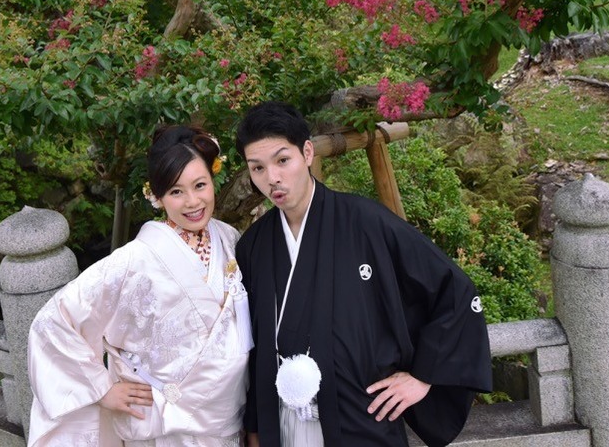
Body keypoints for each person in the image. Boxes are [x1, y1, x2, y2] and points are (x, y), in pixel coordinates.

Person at [233, 101, 492, 447]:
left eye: (283, 160)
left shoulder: (367, 223)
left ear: (307, 152)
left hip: (360, 421)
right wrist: (255, 426)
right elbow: (254, 348)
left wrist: (422, 377)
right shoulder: (253, 246)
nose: (273, 178)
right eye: (258, 168)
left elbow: (454, 291)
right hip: (284, 426)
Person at [27, 125, 253, 447]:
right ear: (157, 197)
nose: (193, 201)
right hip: (163, 424)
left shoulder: (229, 239)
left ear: (212, 181)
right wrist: (101, 388)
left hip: (228, 420)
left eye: (200, 185)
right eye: (176, 192)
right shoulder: (134, 260)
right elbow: (55, 320)